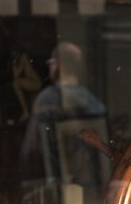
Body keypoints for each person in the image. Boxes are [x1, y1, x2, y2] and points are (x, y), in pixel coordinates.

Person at [19, 42, 106, 181]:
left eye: (51, 63)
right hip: (93, 179)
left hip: (58, 181)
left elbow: (30, 152)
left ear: (58, 64)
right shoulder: (94, 102)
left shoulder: (47, 99)